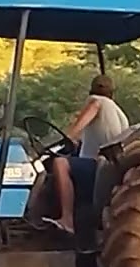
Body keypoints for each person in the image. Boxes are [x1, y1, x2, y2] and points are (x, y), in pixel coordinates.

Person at [44, 74, 129, 235]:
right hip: (111, 167)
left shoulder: (96, 101)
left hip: (98, 167)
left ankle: (67, 219)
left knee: (60, 163)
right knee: (69, 159)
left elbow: (94, 107)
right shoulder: (118, 111)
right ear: (112, 92)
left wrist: (69, 135)